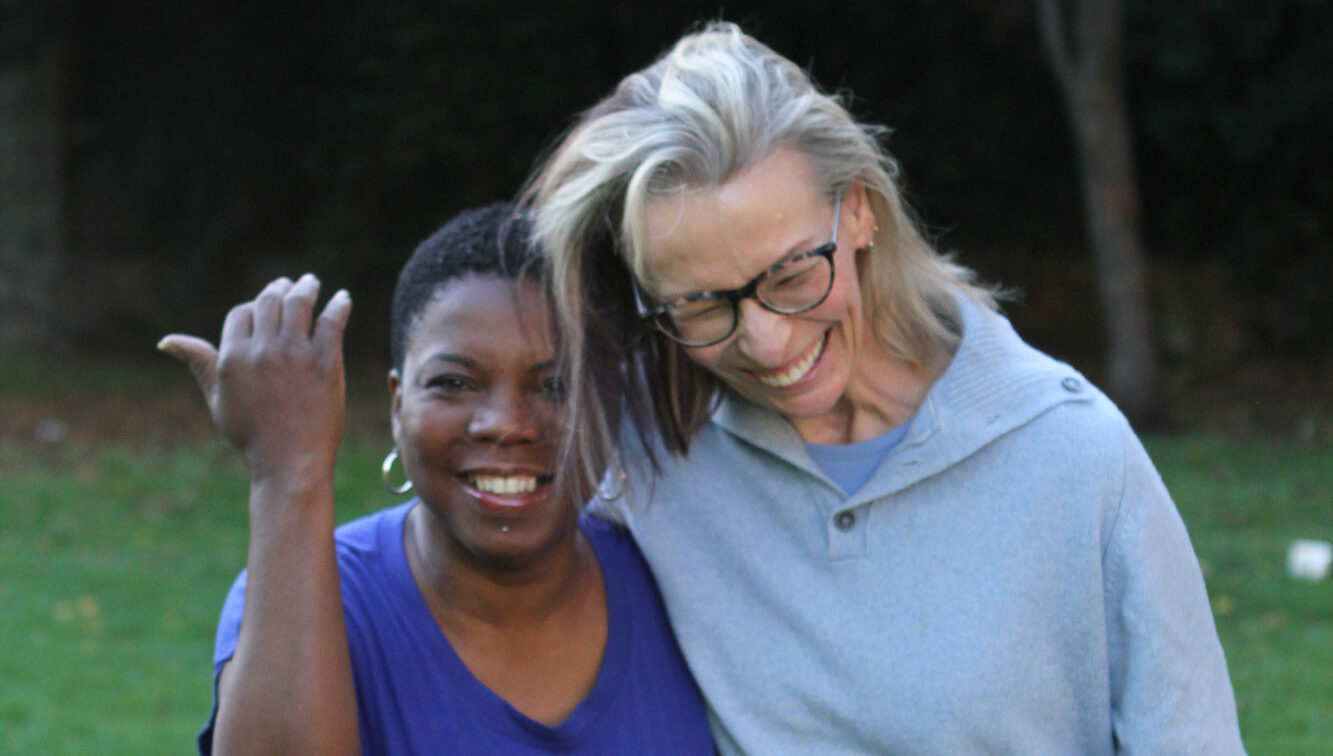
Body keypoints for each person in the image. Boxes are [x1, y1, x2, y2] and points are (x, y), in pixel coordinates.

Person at [525, 21, 1246, 755]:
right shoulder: (641, 447)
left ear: (861, 210)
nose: (765, 342)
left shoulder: (1076, 455)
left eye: (792, 274)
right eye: (702, 305)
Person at [159, 204, 714, 755]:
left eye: (554, 386)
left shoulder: (674, 578)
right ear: (399, 405)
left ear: (612, 404)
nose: (506, 424)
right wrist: (287, 476)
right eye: (454, 382)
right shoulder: (320, 596)